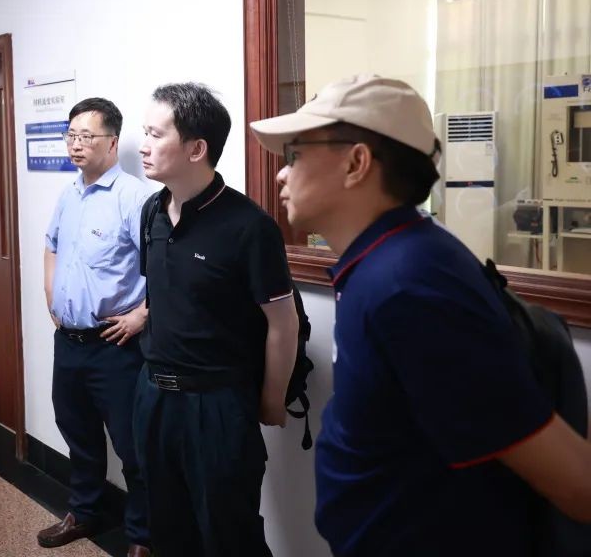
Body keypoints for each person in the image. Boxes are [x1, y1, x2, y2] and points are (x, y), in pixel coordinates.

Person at [249, 74, 591, 557]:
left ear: (356, 163)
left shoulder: (410, 285)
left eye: (295, 155)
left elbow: (571, 478)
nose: (281, 175)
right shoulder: (384, 262)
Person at [134, 83, 298, 557]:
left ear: (196, 148)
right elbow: (162, 298)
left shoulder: (249, 226)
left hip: (216, 404)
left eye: (155, 134)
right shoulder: (152, 211)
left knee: (229, 534)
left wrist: (270, 401)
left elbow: (283, 323)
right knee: (168, 529)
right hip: (153, 395)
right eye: (145, 133)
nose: (143, 145)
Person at [38, 98, 152, 557]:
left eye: (86, 136)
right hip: (68, 342)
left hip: (114, 346)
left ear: (113, 142)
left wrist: (143, 314)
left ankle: (143, 535)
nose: (76, 144)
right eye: (71, 135)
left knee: (132, 444)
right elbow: (51, 246)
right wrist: (51, 297)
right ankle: (84, 512)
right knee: (77, 432)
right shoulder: (70, 194)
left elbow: (166, 267)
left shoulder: (135, 198)